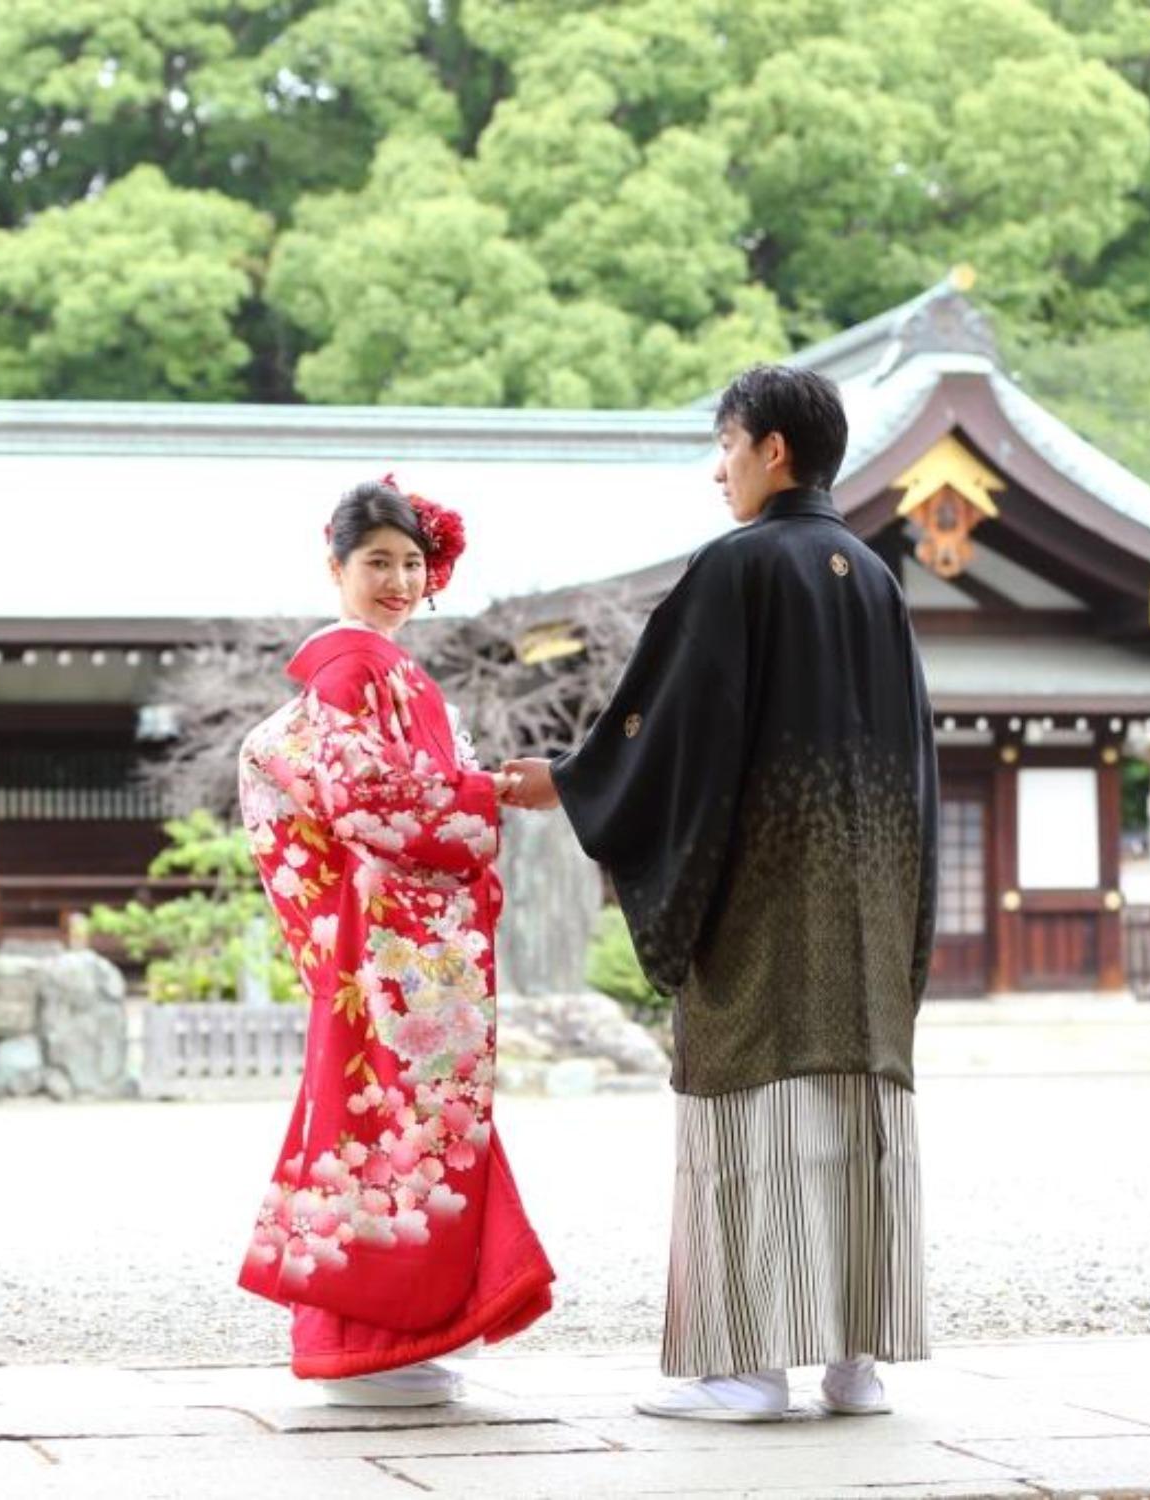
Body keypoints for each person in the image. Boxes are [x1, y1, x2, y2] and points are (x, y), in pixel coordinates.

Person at [504, 365, 936, 1421]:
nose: (719, 469)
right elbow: (918, 756)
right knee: (851, 1106)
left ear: (773, 450)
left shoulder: (739, 566)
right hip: (871, 894)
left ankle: (745, 1368)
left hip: (765, 890)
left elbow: (674, 732)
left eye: (728, 446)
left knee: (749, 1107)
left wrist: (570, 781)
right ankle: (855, 1362)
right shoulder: (874, 579)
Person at [238, 477, 554, 1408]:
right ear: (333, 564)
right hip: (390, 955)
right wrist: (488, 795)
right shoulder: (348, 669)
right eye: (376, 561)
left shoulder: (390, 672)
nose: (398, 579)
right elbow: (367, 800)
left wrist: (465, 796)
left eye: (412, 563)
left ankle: (398, 1338)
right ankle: (370, 1341)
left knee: (409, 1132)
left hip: (412, 951)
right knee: (387, 1128)